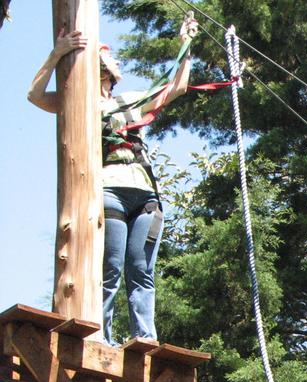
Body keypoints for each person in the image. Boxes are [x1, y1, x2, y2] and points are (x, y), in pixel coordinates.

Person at [28, 16, 198, 344]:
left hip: (146, 195)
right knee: (111, 269)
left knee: (141, 270)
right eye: (109, 56)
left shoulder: (130, 100)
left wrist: (186, 46)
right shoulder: (79, 101)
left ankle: (145, 337)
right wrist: (56, 54)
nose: (116, 60)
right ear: (99, 67)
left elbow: (177, 87)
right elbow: (35, 95)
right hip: (110, 191)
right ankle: (99, 337)